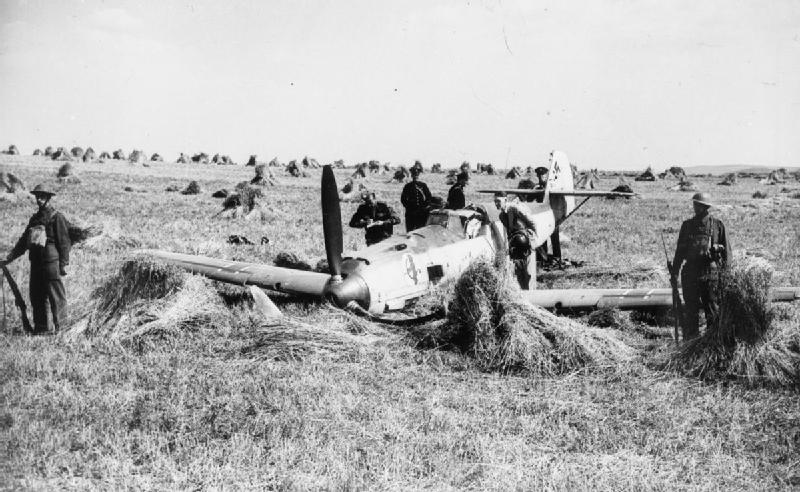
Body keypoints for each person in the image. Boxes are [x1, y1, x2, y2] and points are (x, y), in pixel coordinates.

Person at [2, 183, 71, 334]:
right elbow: (23, 241)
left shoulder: (57, 217)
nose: (39, 199)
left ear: (48, 198)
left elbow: (64, 242)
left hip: (51, 263)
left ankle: (63, 330)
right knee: (37, 296)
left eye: (42, 197)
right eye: (37, 196)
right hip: (36, 263)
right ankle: (41, 330)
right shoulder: (34, 219)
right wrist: (10, 257)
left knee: (56, 297)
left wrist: (64, 264)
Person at [672, 192, 731, 340]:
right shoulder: (686, 226)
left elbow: (727, 254)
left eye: (698, 205)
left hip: (710, 274)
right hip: (690, 273)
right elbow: (680, 252)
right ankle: (691, 345)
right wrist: (674, 272)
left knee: (712, 311)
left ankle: (712, 345)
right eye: (695, 204)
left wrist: (726, 274)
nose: (695, 207)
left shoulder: (718, 225)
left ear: (705, 207)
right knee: (691, 312)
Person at [494, 192, 541, 290]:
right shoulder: (502, 216)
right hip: (516, 246)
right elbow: (509, 232)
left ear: (505, 200)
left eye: (498, 201)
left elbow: (531, 221)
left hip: (526, 242)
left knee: (529, 272)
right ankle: (524, 295)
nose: (497, 204)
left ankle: (533, 296)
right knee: (519, 273)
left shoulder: (515, 209)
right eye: (495, 202)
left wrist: (535, 238)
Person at [400, 167, 432, 231]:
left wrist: (424, 207)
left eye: (417, 175)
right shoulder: (408, 186)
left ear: (419, 176)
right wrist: (408, 207)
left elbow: (429, 197)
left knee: (420, 231)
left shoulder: (423, 185)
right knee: (410, 231)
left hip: (421, 213)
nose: (415, 177)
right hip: (411, 213)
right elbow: (403, 199)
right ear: (412, 176)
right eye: (414, 175)